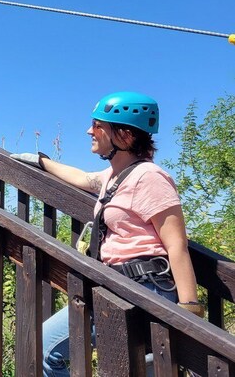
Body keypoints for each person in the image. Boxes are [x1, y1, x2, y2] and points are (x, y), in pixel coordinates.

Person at [11, 91, 203, 377]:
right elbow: (83, 178)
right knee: (44, 348)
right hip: (118, 285)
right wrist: (41, 161)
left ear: (124, 135)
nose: (90, 130)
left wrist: (189, 312)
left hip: (145, 289)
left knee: (131, 366)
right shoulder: (113, 176)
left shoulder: (150, 177)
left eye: (98, 125)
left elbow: (177, 245)